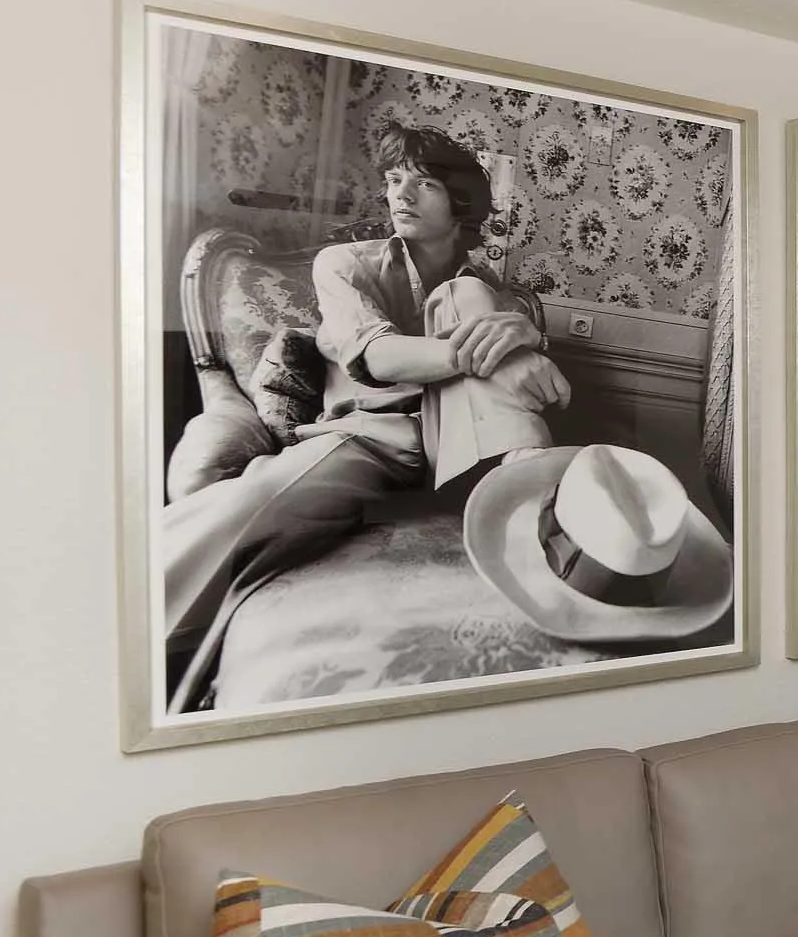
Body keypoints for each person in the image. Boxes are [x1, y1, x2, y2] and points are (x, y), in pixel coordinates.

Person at [158, 125, 571, 708]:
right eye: (395, 179)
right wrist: (501, 352)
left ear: (460, 203)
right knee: (259, 501)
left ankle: (542, 510)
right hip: (370, 439)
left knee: (468, 297)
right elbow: (376, 355)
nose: (401, 194)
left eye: (423, 183)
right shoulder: (343, 264)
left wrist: (521, 333)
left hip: (464, 449)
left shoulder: (484, 290)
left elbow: (506, 369)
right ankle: (127, 636)